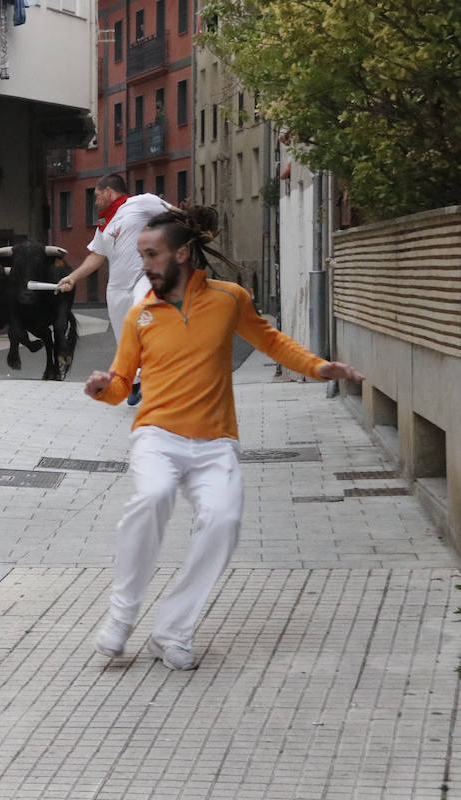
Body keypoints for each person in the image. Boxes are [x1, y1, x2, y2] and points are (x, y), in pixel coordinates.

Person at [84, 207, 363, 671]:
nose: (143, 265)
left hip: (216, 443)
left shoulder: (229, 299)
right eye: (139, 256)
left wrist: (318, 366)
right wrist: (100, 388)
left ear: (182, 253)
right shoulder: (140, 316)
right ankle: (121, 615)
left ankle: (172, 631)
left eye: (150, 255)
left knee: (223, 521)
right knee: (151, 497)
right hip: (157, 436)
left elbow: (271, 342)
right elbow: (119, 385)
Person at [56, 173, 173, 404]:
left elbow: (176, 214)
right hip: (117, 288)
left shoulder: (140, 203)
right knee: (124, 340)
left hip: (144, 277)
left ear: (109, 192)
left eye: (98, 197)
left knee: (143, 319)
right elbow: (97, 256)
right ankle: (135, 384)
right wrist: (72, 277)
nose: (96, 202)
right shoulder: (103, 223)